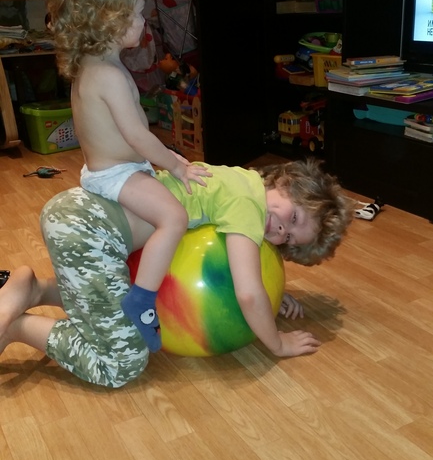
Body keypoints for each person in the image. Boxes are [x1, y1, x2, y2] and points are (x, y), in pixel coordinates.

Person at [0, 158, 353, 388]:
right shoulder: (249, 207)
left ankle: (36, 289)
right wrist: (277, 342)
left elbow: (240, 271)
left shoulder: (239, 180)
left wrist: (274, 293)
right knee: (121, 363)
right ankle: (18, 326)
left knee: (112, 300)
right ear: (287, 183)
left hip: (82, 215)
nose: (280, 231)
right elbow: (247, 293)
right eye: (294, 217)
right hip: (90, 233)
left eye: (289, 238)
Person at [46, 0, 211, 353]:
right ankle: (142, 300)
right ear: (107, 19)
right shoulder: (109, 75)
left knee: (164, 212)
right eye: (137, 14)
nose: (144, 21)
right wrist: (176, 165)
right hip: (117, 174)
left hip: (110, 170)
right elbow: (138, 137)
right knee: (174, 217)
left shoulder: (91, 66)